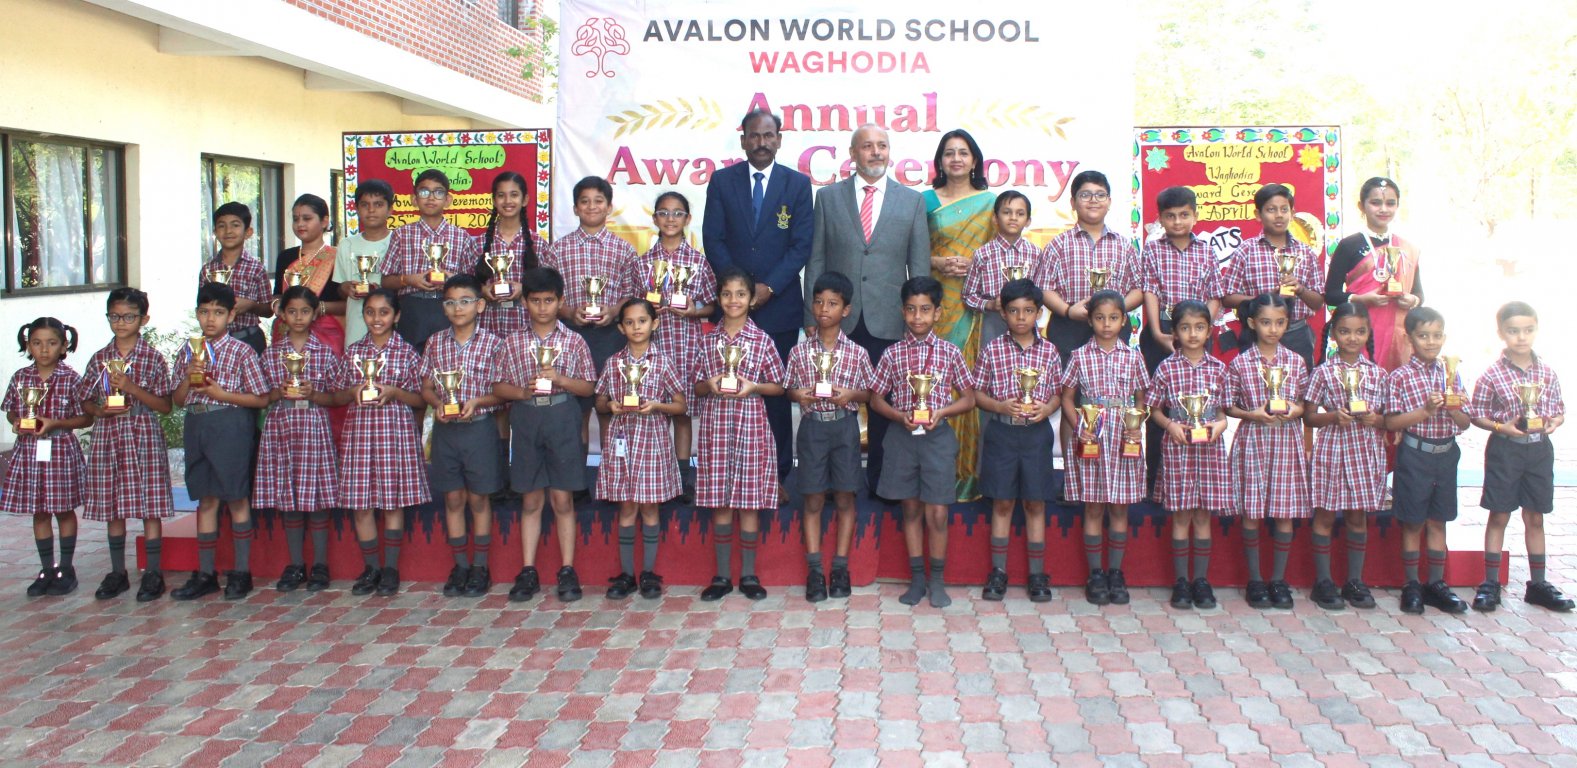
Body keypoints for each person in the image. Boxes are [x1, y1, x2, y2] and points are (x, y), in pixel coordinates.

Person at [803, 124, 931, 496]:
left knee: (883, 405)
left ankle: (882, 482)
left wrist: (917, 319)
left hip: (888, 319)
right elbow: (816, 259)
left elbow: (918, 267)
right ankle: (832, 483)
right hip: (837, 320)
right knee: (830, 400)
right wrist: (812, 316)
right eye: (867, 146)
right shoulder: (828, 198)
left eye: (882, 146)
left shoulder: (912, 201)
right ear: (852, 153)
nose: (876, 152)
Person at [704, 109, 814, 488]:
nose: (761, 142)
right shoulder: (722, 182)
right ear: (743, 141)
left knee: (775, 396)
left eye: (769, 136)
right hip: (733, 308)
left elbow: (801, 245)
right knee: (728, 391)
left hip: (779, 307)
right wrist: (739, 290)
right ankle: (727, 473)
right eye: (754, 135)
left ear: (779, 140)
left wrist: (769, 286)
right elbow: (713, 238)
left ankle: (778, 475)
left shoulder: (797, 184)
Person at [868, 276, 976, 608]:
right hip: (902, 437)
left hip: (937, 439)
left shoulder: (950, 352)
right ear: (903, 311)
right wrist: (897, 415)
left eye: (925, 310)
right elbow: (875, 398)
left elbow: (969, 398)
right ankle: (917, 579)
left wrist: (942, 412)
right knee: (911, 508)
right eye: (912, 310)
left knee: (938, 512)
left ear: (938, 313)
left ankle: (937, 580)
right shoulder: (892, 354)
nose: (918, 317)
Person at [494, 267, 596, 603]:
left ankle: (567, 569)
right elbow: (498, 386)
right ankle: (528, 570)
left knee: (562, 499)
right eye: (535, 300)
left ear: (561, 301)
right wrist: (522, 393)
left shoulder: (574, 340)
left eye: (549, 300)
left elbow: (588, 387)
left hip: (562, 414)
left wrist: (560, 379)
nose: (542, 307)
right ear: (524, 302)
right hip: (526, 415)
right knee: (531, 499)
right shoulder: (513, 342)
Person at [1468, 301, 1571, 612]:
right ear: (1501, 333)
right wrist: (1502, 427)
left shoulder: (1547, 372)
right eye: (1513, 331)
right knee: (1499, 514)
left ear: (1536, 329)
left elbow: (1558, 410)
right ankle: (1490, 583)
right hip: (1506, 450)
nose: (1521, 337)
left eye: (1528, 330)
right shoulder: (1492, 374)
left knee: (1535, 516)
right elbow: (1476, 414)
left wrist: (1554, 422)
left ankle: (1537, 584)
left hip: (1539, 450)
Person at [170, 283, 270, 601]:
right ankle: (205, 573)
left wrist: (221, 394)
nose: (210, 319)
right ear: (197, 314)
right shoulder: (188, 351)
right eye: (204, 312)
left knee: (237, 498)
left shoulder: (242, 351)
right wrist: (188, 376)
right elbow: (177, 400)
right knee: (206, 499)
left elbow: (261, 398)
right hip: (197, 422)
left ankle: (241, 572)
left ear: (231, 315)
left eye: (218, 312)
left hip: (230, 423)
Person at [329, 288, 430, 597]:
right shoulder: (353, 352)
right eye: (370, 312)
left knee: (392, 502)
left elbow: (421, 400)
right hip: (359, 435)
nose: (376, 318)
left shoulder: (407, 353)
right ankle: (371, 567)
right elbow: (336, 395)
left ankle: (390, 569)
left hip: (394, 434)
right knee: (361, 504)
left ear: (396, 316)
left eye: (384, 312)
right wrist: (353, 392)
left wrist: (395, 392)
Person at [694, 268, 787, 601]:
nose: (733, 300)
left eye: (741, 294)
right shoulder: (706, 340)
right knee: (720, 501)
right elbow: (696, 387)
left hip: (750, 426)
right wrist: (709, 384)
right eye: (727, 294)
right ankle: (721, 576)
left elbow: (779, 386)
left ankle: (748, 575)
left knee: (748, 503)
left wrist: (754, 387)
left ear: (752, 299)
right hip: (716, 427)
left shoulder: (762, 340)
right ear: (719, 298)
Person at [78, 289, 176, 601]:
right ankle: (117, 571)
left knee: (150, 502)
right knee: (113, 503)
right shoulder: (99, 359)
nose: (121, 323)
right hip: (109, 433)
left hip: (143, 431)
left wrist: (131, 388)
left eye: (129, 317)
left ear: (144, 319)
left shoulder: (152, 358)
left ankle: (153, 572)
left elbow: (165, 406)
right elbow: (85, 400)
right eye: (115, 316)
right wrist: (99, 411)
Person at [786, 271, 875, 603]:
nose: (824, 309)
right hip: (813, 428)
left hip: (844, 427)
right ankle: (814, 570)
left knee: (845, 498)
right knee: (812, 498)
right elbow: (789, 389)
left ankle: (840, 568)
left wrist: (850, 394)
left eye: (833, 303)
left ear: (846, 310)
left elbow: (869, 394)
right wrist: (799, 395)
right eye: (819, 302)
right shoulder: (799, 352)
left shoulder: (857, 353)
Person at [972, 278, 1060, 602]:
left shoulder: (1050, 351)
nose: (1021, 317)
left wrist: (1046, 409)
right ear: (1003, 313)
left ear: (1039, 313)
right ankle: (998, 572)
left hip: (1036, 435)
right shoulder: (992, 349)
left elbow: (1057, 393)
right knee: (1003, 502)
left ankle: (1037, 574)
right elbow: (978, 393)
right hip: (1002, 433)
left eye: (1028, 310)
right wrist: (999, 406)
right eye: (1013, 311)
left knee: (1035, 503)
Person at [1059, 290, 1149, 606]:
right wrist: (1080, 426)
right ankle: (1096, 573)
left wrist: (1136, 425)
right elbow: (1067, 397)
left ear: (1124, 320)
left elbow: (1141, 398)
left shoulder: (1134, 357)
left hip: (1124, 436)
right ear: (1090, 320)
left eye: (1113, 318)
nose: (1106, 324)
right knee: (1094, 506)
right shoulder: (1079, 356)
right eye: (1099, 318)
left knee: (1120, 506)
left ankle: (1116, 572)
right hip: (1092, 436)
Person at [595, 298, 688, 600]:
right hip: (622, 443)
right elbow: (599, 401)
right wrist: (610, 405)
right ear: (621, 328)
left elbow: (680, 405)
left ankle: (648, 573)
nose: (636, 327)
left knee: (649, 507)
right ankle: (626, 574)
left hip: (652, 442)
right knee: (626, 507)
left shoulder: (663, 362)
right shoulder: (613, 363)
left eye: (642, 321)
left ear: (654, 324)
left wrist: (657, 405)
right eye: (630, 322)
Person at [1223, 293, 1310, 610]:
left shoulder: (1296, 362)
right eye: (1265, 322)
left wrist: (1296, 411)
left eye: (1280, 322)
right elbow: (1228, 406)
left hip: (1286, 441)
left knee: (1284, 512)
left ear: (1287, 323)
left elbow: (1304, 403)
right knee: (1252, 512)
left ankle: (1278, 580)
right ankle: (1256, 580)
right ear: (1251, 323)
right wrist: (1252, 414)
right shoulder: (1240, 363)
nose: (1273, 329)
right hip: (1253, 441)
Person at [421, 274, 505, 598]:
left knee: (479, 499)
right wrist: (437, 405)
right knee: (453, 498)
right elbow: (427, 387)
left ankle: (480, 567)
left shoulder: (494, 344)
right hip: (446, 430)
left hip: (479, 428)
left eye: (465, 301)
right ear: (444, 308)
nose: (458, 308)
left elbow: (502, 393)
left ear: (480, 306)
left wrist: (477, 402)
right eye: (451, 302)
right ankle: (460, 566)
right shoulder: (435, 342)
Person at [1384, 307, 1473, 614]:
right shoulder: (1399, 377)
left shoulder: (1452, 373)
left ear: (1444, 337)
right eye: (1423, 336)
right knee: (1413, 521)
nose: (1431, 342)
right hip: (1415, 455)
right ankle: (1411, 585)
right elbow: (1391, 422)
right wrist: (1425, 411)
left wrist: (1453, 407)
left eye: (1436, 335)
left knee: (1438, 519)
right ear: (1409, 338)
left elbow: (1465, 423)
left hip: (1446, 454)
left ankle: (1436, 584)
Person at [924, 128, 996, 502]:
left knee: (966, 385)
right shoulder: (924, 201)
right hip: (933, 308)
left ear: (974, 160)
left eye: (963, 153)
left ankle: (967, 476)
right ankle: (931, 473)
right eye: (949, 153)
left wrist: (975, 263)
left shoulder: (991, 204)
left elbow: (1001, 252)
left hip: (973, 308)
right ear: (940, 161)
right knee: (932, 381)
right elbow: (910, 250)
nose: (956, 159)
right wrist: (937, 262)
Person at [1303, 303, 1390, 611]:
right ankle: (1323, 581)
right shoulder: (1323, 372)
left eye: (1359, 331)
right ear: (1333, 334)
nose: (1352, 338)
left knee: (1357, 516)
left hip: (1365, 451)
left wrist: (1376, 420)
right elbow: (1309, 417)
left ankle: (1354, 580)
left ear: (1368, 334)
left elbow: (1388, 419)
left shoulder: (1378, 374)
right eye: (1344, 331)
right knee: (1325, 514)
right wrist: (1332, 417)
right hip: (1332, 450)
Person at [1139, 187, 1225, 494]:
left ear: (1195, 216)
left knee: (1201, 405)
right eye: (1171, 216)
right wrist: (1156, 332)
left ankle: (1202, 484)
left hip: (1197, 333)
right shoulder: (1152, 250)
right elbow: (1150, 291)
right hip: (1161, 330)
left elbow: (1215, 295)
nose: (1177, 222)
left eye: (1184, 215)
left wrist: (1201, 329)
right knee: (1159, 408)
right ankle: (1155, 484)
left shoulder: (1206, 251)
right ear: (1161, 219)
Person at [544, 176, 639, 448]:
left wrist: (614, 310)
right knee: (578, 410)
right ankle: (578, 473)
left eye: (599, 201)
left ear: (609, 207)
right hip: (573, 337)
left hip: (611, 337)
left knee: (609, 406)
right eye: (584, 202)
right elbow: (550, 297)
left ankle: (610, 470)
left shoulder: (624, 249)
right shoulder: (558, 249)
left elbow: (631, 293)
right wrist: (570, 312)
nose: (592, 207)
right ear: (575, 208)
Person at [256, 287, 341, 592]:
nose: (298, 317)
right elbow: (261, 397)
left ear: (315, 313)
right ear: (281, 314)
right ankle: (295, 564)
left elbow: (336, 397)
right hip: (281, 427)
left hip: (314, 426)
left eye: (305, 311)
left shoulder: (325, 352)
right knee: (288, 498)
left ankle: (320, 565)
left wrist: (314, 394)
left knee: (316, 500)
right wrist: (276, 393)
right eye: (292, 311)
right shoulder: (270, 354)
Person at [1147, 300, 1230, 610]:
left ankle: (1201, 581)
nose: (1193, 334)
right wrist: (1170, 425)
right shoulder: (1166, 368)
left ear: (1209, 331)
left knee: (1203, 515)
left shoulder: (1219, 369)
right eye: (1185, 328)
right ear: (1175, 333)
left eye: (1199, 327)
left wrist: (1220, 425)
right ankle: (1181, 581)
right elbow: (1153, 409)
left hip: (1209, 450)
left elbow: (1223, 412)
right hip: (1178, 449)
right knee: (1181, 515)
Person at [636, 191, 716, 502]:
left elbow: (712, 305)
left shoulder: (698, 261)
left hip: (686, 346)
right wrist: (646, 311)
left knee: (682, 413)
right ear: (654, 218)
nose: (671, 219)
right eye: (664, 213)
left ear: (688, 219)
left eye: (678, 213)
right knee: (652, 414)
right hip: (651, 348)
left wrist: (694, 311)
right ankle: (653, 475)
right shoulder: (643, 263)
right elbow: (632, 306)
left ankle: (682, 478)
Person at [4, 317, 87, 597]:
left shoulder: (71, 379)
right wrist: (17, 421)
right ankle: (46, 569)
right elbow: (11, 410)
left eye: (51, 343)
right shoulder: (21, 377)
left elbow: (85, 417)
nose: (44, 349)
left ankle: (66, 568)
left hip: (60, 449)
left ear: (64, 346)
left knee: (63, 509)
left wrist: (55, 423)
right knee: (39, 510)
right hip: (30, 450)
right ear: (28, 345)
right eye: (37, 343)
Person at [1323, 177, 1422, 371]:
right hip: (1360, 331)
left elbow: (1419, 293)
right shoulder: (1349, 245)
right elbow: (1331, 294)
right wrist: (1360, 299)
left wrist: (1413, 300)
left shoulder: (1408, 248)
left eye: (1390, 203)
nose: (1383, 209)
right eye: (1376, 203)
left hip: (1399, 333)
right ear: (1361, 206)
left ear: (1397, 206)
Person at [1222, 184, 1325, 367]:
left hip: (1296, 333)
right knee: (1255, 381)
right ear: (1258, 214)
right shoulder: (1246, 250)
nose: (1279, 215)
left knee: (1298, 382)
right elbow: (1227, 297)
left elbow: (1318, 302)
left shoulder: (1306, 252)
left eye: (1284, 209)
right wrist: (1263, 300)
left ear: (1292, 213)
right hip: (1256, 333)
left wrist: (1300, 290)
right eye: (1271, 210)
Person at [379, 169, 478, 352]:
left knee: (448, 359)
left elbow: (472, 283)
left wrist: (453, 280)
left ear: (447, 200)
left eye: (438, 192)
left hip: (449, 309)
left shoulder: (461, 237)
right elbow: (385, 281)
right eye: (424, 192)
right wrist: (408, 280)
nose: (431, 197)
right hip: (412, 309)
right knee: (412, 361)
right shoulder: (401, 235)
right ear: (414, 199)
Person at [475, 171, 547, 339]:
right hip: (487, 326)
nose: (507, 201)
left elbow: (547, 287)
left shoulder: (538, 244)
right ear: (494, 200)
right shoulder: (478, 244)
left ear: (525, 200)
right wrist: (482, 290)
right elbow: (466, 285)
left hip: (526, 327)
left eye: (514, 195)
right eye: (501, 195)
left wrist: (524, 288)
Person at [961, 191, 1037, 346]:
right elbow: (968, 296)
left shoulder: (1036, 253)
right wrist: (989, 304)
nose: (1013, 218)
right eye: (1007, 212)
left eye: (1020, 214)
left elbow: (1041, 291)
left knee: (1027, 358)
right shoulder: (983, 254)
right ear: (995, 218)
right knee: (993, 357)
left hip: (1026, 320)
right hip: (993, 320)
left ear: (1028, 221)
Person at [271, 194, 345, 351]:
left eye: (307, 218)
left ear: (324, 221)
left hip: (326, 335)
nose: (300, 224)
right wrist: (277, 303)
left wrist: (319, 307)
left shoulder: (338, 257)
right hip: (288, 332)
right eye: (296, 219)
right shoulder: (285, 257)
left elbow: (348, 303)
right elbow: (278, 294)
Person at [199, 202, 272, 355]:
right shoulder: (208, 270)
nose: (228, 231)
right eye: (222, 226)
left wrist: (251, 305)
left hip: (249, 338)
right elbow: (201, 306)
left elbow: (268, 310)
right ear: (215, 232)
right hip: (214, 340)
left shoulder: (256, 269)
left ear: (248, 232)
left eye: (235, 225)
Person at [336, 180, 395, 344]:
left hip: (392, 330)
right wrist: (346, 287)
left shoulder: (399, 242)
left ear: (390, 209)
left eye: (378, 204)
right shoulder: (346, 245)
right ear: (356, 209)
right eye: (365, 205)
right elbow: (340, 288)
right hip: (356, 329)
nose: (371, 210)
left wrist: (379, 288)